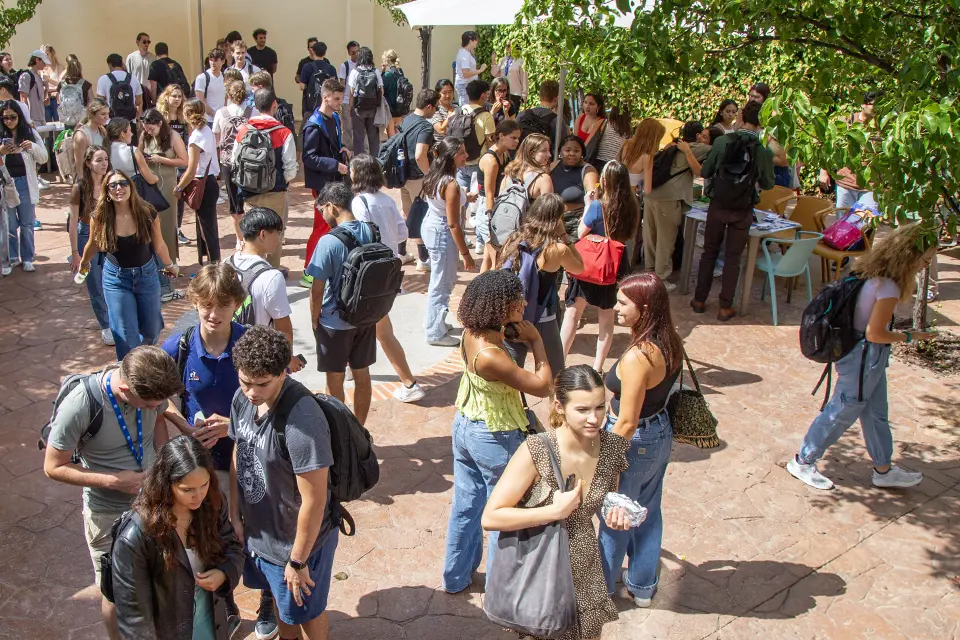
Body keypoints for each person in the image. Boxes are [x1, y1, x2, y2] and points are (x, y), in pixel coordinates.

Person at [42, 346, 183, 640]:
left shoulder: (148, 386)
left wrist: (161, 462)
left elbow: (158, 416)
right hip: (108, 513)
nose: (153, 407)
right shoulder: (81, 404)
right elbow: (53, 467)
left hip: (151, 503)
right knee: (115, 591)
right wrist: (113, 481)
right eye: (146, 403)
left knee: (158, 578)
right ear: (123, 389)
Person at [482, 365, 630, 639]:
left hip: (584, 570)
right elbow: (491, 517)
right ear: (560, 407)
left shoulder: (611, 447)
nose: (594, 419)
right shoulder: (537, 450)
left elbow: (608, 498)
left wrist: (616, 512)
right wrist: (553, 511)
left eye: (600, 407)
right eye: (583, 410)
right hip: (542, 565)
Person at [787, 225, 936, 491]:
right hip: (864, 358)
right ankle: (803, 460)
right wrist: (911, 337)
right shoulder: (888, 287)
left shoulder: (871, 275)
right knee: (843, 409)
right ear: (910, 258)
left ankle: (883, 468)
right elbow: (876, 334)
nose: (925, 266)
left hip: (864, 356)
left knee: (876, 412)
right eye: (924, 260)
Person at [441, 269, 554, 593]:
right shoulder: (492, 356)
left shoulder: (472, 334)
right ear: (500, 306)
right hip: (495, 436)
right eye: (517, 299)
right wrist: (536, 341)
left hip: (466, 427)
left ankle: (455, 577)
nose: (525, 302)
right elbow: (543, 386)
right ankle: (501, 590)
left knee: (466, 506)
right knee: (503, 514)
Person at [229, 326, 340, 640]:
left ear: (283, 372)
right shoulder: (242, 398)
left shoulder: (303, 419)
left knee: (308, 612)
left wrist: (298, 559)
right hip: (263, 535)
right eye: (245, 381)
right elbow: (240, 452)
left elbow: (315, 499)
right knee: (284, 605)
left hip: (297, 544)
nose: (252, 392)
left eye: (262, 384)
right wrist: (234, 515)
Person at [158, 263, 248, 635]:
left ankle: (266, 602)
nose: (214, 314)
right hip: (200, 468)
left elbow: (275, 404)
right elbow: (159, 398)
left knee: (247, 535)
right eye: (206, 305)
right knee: (206, 536)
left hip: (245, 462)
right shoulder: (178, 346)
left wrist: (234, 425)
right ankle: (223, 605)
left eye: (223, 305)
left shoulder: (249, 344)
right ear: (194, 303)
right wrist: (184, 425)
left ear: (236, 305)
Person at [598, 272, 684, 609]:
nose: (615, 307)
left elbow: (627, 422)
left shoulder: (638, 357)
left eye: (622, 303)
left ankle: (599, 591)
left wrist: (602, 461)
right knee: (647, 510)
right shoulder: (670, 340)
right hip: (659, 432)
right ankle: (643, 586)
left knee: (614, 515)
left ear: (644, 308)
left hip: (635, 441)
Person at [111, 435, 245, 640]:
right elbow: (134, 617)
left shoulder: (213, 504)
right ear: (166, 483)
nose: (199, 496)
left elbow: (232, 546)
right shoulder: (135, 536)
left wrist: (224, 573)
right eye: (187, 489)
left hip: (209, 619)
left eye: (205, 484)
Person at [350, 154, 427, 403]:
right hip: (388, 271)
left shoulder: (359, 202)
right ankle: (353, 368)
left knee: (379, 329)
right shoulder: (386, 200)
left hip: (367, 274)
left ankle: (409, 382)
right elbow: (402, 231)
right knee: (371, 326)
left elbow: (360, 236)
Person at [79, 169, 177, 357]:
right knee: (125, 333)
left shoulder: (147, 212)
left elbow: (159, 244)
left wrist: (169, 264)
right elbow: (92, 244)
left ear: (131, 187)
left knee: (152, 329)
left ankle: (142, 357)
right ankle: (130, 374)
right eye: (113, 185)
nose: (119, 188)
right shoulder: (99, 217)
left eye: (123, 183)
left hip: (147, 275)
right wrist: (84, 263)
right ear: (107, 192)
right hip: (116, 279)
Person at [690, 100, 774, 321]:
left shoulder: (723, 142)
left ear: (741, 118)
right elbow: (767, 183)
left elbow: (706, 171)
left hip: (718, 205)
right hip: (743, 209)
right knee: (733, 258)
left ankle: (699, 300)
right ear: (761, 124)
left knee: (709, 252)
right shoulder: (762, 151)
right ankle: (725, 306)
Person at [306, 182, 379, 423]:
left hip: (334, 322)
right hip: (365, 317)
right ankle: (360, 428)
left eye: (322, 211)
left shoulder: (328, 241)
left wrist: (315, 321)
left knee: (334, 379)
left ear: (332, 206)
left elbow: (316, 291)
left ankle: (342, 432)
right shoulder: (371, 231)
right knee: (362, 373)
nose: (323, 216)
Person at [560, 161, 638, 374]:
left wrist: (587, 204)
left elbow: (581, 231)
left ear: (605, 180)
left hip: (590, 263)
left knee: (572, 315)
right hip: (614, 265)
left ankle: (560, 361)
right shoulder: (632, 205)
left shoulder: (597, 206)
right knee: (606, 320)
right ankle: (597, 368)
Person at [497, 193, 584, 375]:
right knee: (557, 372)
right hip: (543, 317)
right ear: (557, 219)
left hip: (513, 315)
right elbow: (580, 268)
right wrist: (565, 236)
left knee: (511, 370)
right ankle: (556, 403)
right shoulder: (556, 250)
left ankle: (515, 402)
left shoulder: (513, 240)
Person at [226, 208, 303, 378]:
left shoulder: (226, 264)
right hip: (259, 360)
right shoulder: (271, 277)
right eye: (277, 233)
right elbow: (283, 328)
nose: (279, 239)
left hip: (229, 351)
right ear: (262, 235)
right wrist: (287, 360)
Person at [107, 115, 171, 305]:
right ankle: (164, 286)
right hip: (136, 197)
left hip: (115, 200)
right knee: (151, 239)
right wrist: (157, 179)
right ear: (122, 133)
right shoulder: (133, 151)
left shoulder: (106, 150)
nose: (132, 133)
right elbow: (149, 177)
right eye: (129, 130)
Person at [234, 88, 298, 270]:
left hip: (249, 192)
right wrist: (284, 181)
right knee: (274, 234)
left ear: (255, 105)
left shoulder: (244, 131)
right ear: (274, 105)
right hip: (275, 191)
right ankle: (271, 274)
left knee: (253, 234)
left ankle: (252, 273)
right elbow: (290, 168)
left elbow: (234, 161)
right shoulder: (283, 132)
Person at [643, 121, 713, 289]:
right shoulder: (700, 149)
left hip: (651, 193)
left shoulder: (670, 146)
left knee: (650, 236)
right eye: (703, 135)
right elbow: (709, 161)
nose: (704, 139)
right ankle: (660, 278)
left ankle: (649, 271)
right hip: (669, 198)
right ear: (697, 136)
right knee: (666, 239)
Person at [422, 137, 477, 346]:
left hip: (432, 228)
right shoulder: (450, 183)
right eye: (462, 152)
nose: (466, 156)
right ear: (452, 156)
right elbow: (454, 224)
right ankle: (435, 332)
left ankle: (437, 323)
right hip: (442, 233)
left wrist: (466, 198)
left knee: (441, 279)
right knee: (442, 283)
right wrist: (466, 255)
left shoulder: (437, 176)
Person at [302, 78, 350, 285]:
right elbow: (309, 158)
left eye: (341, 98)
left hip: (333, 182)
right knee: (322, 226)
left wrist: (342, 150)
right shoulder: (313, 125)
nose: (340, 102)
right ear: (325, 97)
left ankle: (324, 266)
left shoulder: (335, 118)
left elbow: (332, 145)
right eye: (337, 98)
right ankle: (308, 270)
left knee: (330, 226)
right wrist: (334, 165)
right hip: (321, 184)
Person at [140, 108, 188, 292]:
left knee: (167, 223)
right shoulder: (144, 135)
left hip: (167, 184)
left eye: (151, 128)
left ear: (160, 123)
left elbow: (184, 161)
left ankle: (170, 262)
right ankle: (154, 261)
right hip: (150, 184)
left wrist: (161, 159)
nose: (148, 131)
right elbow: (137, 153)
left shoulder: (173, 136)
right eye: (146, 128)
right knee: (151, 223)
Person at [68, 145, 112, 344]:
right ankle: (106, 325)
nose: (104, 164)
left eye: (105, 159)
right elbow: (73, 222)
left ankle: (115, 319)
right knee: (94, 283)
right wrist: (76, 252)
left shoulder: (111, 182)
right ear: (88, 163)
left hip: (109, 234)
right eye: (98, 160)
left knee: (110, 279)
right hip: (87, 233)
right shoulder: (79, 187)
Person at [1, 101, 47, 274]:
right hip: (7, 184)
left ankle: (27, 258)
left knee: (27, 223)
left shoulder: (30, 133)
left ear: (19, 116)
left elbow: (43, 158)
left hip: (26, 183)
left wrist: (32, 147)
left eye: (13, 117)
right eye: (5, 118)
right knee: (10, 224)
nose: (9, 121)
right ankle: (13, 258)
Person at [175, 98, 222, 265]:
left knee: (207, 229)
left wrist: (179, 188)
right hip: (209, 182)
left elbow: (191, 169)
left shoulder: (196, 137)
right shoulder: (206, 130)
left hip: (202, 183)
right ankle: (207, 264)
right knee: (204, 225)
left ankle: (214, 266)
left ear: (187, 114)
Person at [477, 119, 523, 271]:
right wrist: (491, 221)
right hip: (489, 208)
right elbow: (489, 193)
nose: (517, 141)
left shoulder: (505, 155)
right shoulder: (491, 160)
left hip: (498, 206)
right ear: (501, 136)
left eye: (518, 138)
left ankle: (478, 292)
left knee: (487, 258)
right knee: (496, 259)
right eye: (513, 138)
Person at [819, 91, 878, 209]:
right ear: (863, 104)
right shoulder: (847, 121)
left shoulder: (883, 126)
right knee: (843, 224)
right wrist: (824, 172)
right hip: (846, 184)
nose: (877, 108)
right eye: (873, 104)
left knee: (865, 225)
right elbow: (828, 147)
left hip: (870, 186)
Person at [213, 81, 255, 244]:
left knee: (234, 203)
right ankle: (250, 237)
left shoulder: (220, 113)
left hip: (228, 162)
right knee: (250, 200)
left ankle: (240, 240)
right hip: (249, 161)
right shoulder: (252, 111)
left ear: (228, 95)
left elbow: (217, 138)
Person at [454, 79, 496, 231]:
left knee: (460, 199)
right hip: (479, 163)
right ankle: (479, 238)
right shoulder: (486, 116)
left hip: (460, 162)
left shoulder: (458, 111)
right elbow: (491, 140)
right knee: (478, 201)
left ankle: (461, 233)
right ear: (483, 95)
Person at [156, 84, 192, 245]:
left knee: (179, 195)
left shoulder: (184, 116)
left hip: (182, 161)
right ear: (167, 97)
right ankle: (164, 228)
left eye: (179, 96)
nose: (177, 99)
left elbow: (190, 136)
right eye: (174, 96)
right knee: (164, 194)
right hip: (165, 160)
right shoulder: (160, 117)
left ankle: (177, 229)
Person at [549, 134, 600, 243]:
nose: (572, 153)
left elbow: (594, 201)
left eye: (576, 151)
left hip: (575, 223)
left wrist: (585, 222)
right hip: (554, 221)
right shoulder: (553, 166)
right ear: (560, 152)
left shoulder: (588, 171)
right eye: (567, 150)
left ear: (582, 153)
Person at [346, 46, 383, 157]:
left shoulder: (354, 72)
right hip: (373, 109)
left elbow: (352, 92)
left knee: (358, 138)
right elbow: (382, 89)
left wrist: (350, 108)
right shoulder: (376, 71)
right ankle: (375, 162)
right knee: (374, 138)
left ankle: (360, 162)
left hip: (358, 109)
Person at [96, 53, 143, 121]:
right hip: (129, 121)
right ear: (121, 64)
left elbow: (100, 103)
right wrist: (137, 118)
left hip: (111, 121)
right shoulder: (133, 78)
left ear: (110, 65)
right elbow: (139, 102)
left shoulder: (103, 79)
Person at [585, 104, 630, 173]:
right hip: (614, 166)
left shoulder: (604, 123)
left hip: (598, 162)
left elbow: (589, 141)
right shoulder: (627, 131)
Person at [299, 40, 337, 121]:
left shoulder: (307, 67)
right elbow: (335, 87)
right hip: (327, 105)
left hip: (310, 106)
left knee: (309, 128)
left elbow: (302, 87)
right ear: (325, 52)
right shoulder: (331, 68)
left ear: (313, 51)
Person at [518, 80, 561, 149]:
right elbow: (562, 145)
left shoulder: (522, 115)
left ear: (540, 96)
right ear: (556, 99)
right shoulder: (557, 121)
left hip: (522, 157)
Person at [72, 99, 109, 178]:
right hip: (87, 179)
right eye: (103, 114)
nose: (107, 117)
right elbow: (79, 165)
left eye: (108, 114)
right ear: (92, 114)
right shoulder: (81, 135)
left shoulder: (102, 130)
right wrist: (84, 186)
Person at [337, 41, 360, 151]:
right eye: (353, 52)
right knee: (347, 128)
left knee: (359, 128)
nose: (356, 55)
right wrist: (341, 102)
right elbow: (342, 84)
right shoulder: (344, 66)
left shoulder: (363, 65)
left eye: (358, 52)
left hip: (360, 102)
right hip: (346, 101)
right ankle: (349, 153)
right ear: (349, 53)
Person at [195, 48, 227, 125]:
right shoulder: (202, 77)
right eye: (211, 60)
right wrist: (213, 113)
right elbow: (200, 100)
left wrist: (224, 114)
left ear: (223, 61)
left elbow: (226, 98)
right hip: (208, 120)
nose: (213, 62)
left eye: (216, 60)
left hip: (223, 119)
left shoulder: (225, 77)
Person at [454, 30, 486, 107]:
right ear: (470, 41)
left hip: (467, 84)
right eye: (475, 40)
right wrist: (480, 70)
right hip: (465, 84)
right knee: (466, 107)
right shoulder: (465, 54)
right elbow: (465, 73)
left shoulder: (466, 52)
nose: (476, 42)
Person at [18, 49, 48, 127]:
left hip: (41, 117)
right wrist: (27, 119)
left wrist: (46, 88)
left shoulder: (38, 76)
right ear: (37, 60)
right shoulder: (26, 75)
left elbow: (41, 99)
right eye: (44, 62)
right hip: (32, 119)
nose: (45, 65)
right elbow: (23, 98)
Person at [125, 33, 155, 102]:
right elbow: (128, 77)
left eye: (148, 42)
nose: (147, 44)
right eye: (144, 42)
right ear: (137, 42)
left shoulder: (153, 58)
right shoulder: (131, 57)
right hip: (136, 93)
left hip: (148, 94)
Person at [381, 49, 406, 132]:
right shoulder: (400, 72)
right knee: (398, 134)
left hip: (390, 108)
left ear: (386, 60)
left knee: (391, 137)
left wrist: (382, 72)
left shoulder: (387, 75)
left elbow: (382, 89)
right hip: (399, 106)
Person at [40, 45, 64, 124]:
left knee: (59, 122)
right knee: (47, 123)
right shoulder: (40, 68)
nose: (45, 56)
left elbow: (61, 83)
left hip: (56, 98)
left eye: (47, 54)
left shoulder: (58, 67)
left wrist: (49, 79)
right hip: (45, 99)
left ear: (51, 54)